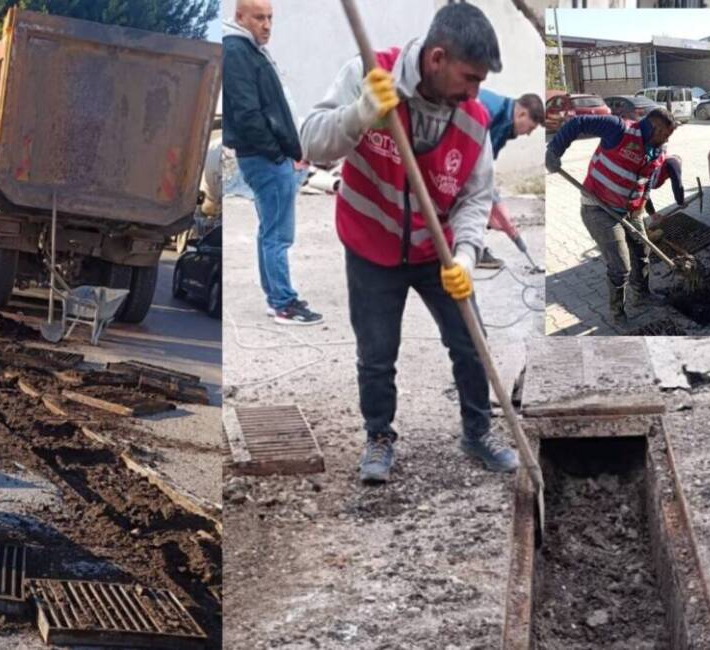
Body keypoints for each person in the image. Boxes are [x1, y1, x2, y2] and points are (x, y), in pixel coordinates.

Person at [300, 3, 518, 484]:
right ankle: (379, 436)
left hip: (435, 252)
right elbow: (311, 143)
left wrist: (465, 255)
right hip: (370, 248)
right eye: (469, 77)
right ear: (437, 58)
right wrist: (359, 115)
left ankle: (478, 432)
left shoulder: (473, 119)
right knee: (377, 354)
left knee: (471, 344)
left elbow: (476, 199)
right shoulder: (368, 74)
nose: (475, 91)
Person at [222, 0, 323, 325]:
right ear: (240, 17)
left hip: (265, 157)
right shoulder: (237, 51)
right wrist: (279, 154)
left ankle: (276, 298)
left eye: (270, 18)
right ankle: (284, 303)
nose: (266, 25)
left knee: (270, 232)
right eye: (259, 18)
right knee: (279, 235)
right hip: (264, 159)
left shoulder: (248, 50)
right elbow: (247, 113)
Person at [546, 107, 684, 326]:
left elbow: (647, 182)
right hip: (599, 208)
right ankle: (617, 314)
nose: (666, 139)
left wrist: (643, 207)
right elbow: (578, 123)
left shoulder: (657, 151)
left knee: (641, 253)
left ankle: (642, 296)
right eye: (665, 134)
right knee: (621, 266)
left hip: (631, 210)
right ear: (654, 127)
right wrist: (554, 151)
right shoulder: (619, 129)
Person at [475, 90, 544, 269]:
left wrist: (493, 205)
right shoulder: (489, 110)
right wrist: (495, 205)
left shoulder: (505, 126)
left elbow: (486, 168)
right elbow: (477, 168)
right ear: (521, 113)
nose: (528, 134)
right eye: (530, 128)